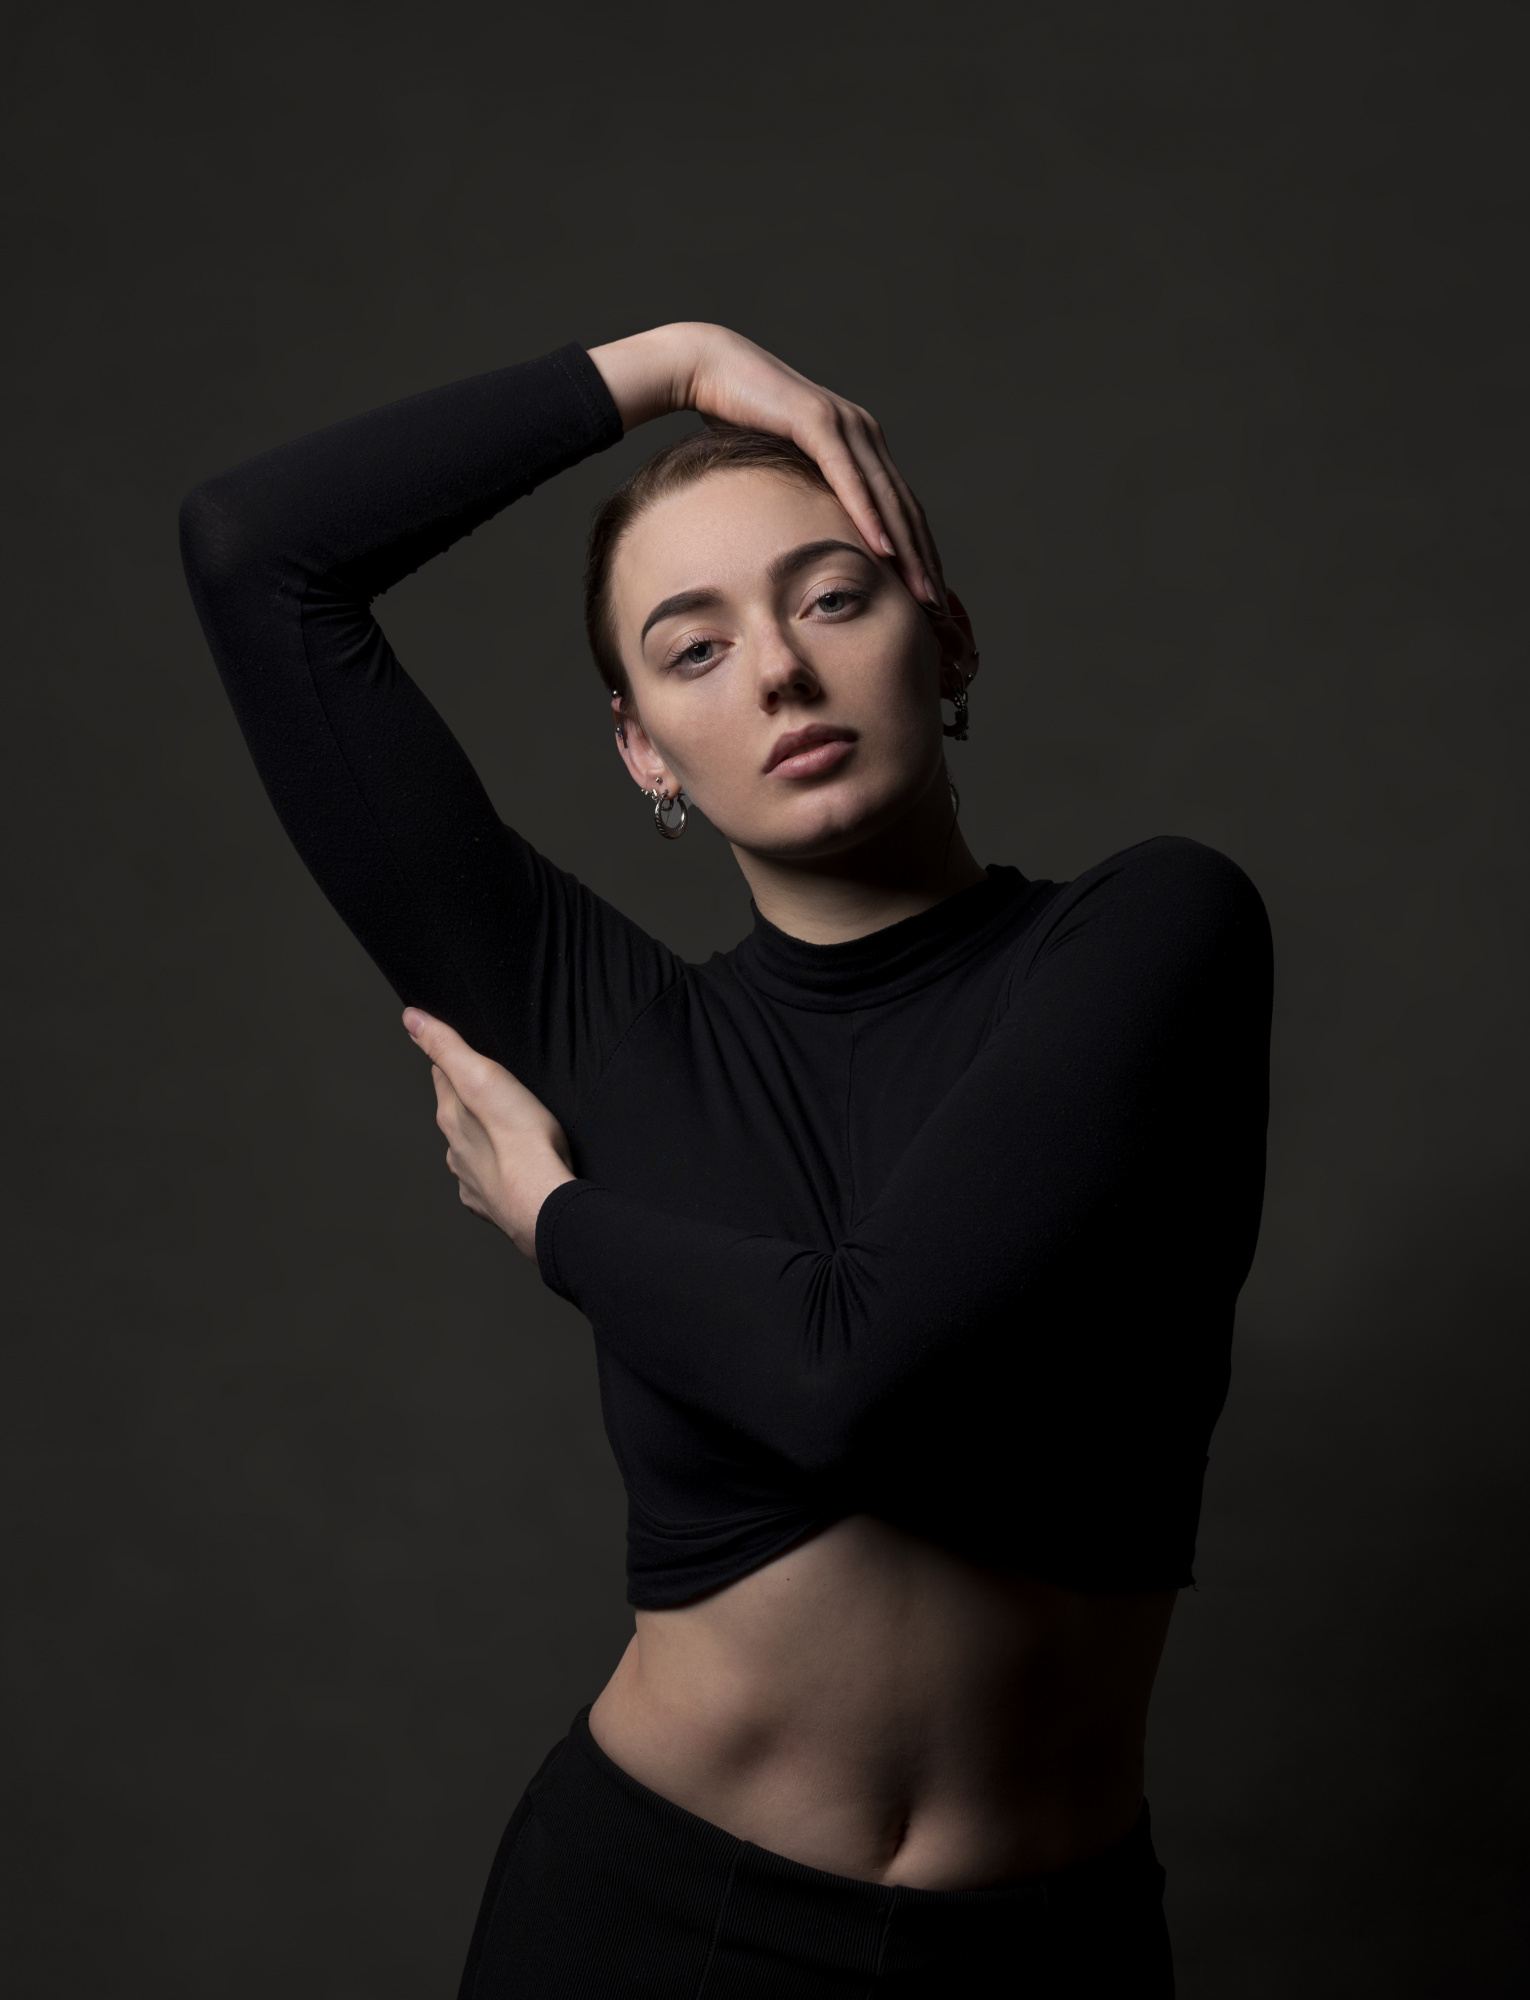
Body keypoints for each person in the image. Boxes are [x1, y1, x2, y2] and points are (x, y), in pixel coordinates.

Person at [180, 321, 1272, 1997]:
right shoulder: (600, 1023)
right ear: (642, 750)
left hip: (1047, 1949)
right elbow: (256, 556)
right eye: (693, 648)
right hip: (647, 1930)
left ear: (946, 639)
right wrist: (675, 362)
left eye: (831, 599)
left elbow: (850, 1369)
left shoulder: (1153, 934)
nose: (776, 671)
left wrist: (558, 1223)